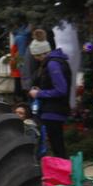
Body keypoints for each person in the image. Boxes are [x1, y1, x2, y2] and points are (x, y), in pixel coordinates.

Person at [28, 30, 72, 159]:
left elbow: (61, 90)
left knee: (57, 146)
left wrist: (38, 93)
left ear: (41, 54)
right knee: (57, 145)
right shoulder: (54, 62)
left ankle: (64, 173)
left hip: (54, 111)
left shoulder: (53, 64)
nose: (34, 59)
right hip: (52, 110)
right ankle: (63, 171)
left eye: (35, 56)